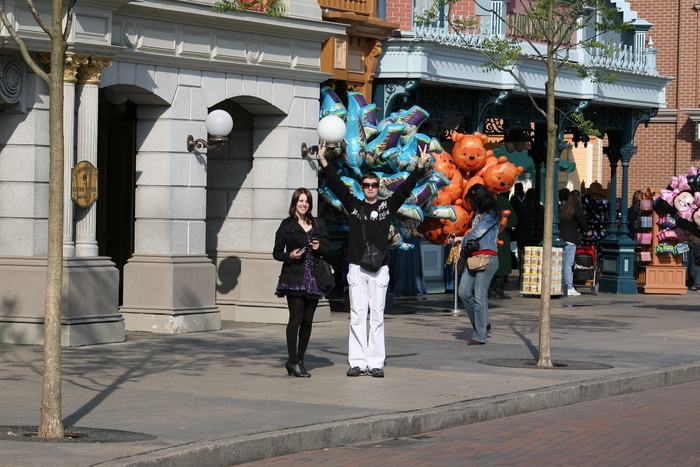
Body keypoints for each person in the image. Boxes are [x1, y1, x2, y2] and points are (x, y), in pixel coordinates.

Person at [318, 142, 432, 377]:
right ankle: (357, 362)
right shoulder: (354, 206)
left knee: (377, 316)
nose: (370, 188)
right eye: (366, 185)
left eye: (373, 185)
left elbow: (404, 190)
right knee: (358, 315)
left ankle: (376, 362)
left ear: (378, 188)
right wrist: (323, 161)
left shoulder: (386, 207)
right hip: (357, 267)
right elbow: (337, 186)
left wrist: (419, 167)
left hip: (380, 268)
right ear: (361, 188)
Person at [273, 188, 330, 378]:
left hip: (314, 279)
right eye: (301, 201)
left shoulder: (318, 224)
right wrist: (290, 255)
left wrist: (319, 247)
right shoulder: (287, 225)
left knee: (307, 322)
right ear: (295, 203)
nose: (304, 204)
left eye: (307, 201)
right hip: (294, 278)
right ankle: (293, 360)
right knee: (295, 320)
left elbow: (329, 250)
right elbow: (277, 252)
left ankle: (299, 358)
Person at [456, 184, 502, 345]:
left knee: (479, 296)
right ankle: (482, 322)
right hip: (474, 257)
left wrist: (462, 241)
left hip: (487, 258)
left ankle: (479, 335)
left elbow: (477, 233)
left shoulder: (492, 214)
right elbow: (474, 234)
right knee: (463, 292)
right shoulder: (479, 213)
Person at [558, 190, 593, 296]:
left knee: (560, 263)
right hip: (571, 239)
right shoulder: (576, 210)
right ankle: (568, 286)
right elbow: (583, 223)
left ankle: (560, 284)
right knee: (568, 264)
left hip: (560, 238)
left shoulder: (564, 209)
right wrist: (589, 234)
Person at [490, 193, 517, 299]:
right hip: (501, 235)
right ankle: (498, 289)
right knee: (500, 262)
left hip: (492, 234)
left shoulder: (485, 199)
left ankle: (489, 289)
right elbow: (512, 220)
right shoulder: (503, 201)